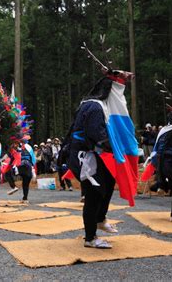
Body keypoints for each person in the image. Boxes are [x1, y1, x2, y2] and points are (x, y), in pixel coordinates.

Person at [68, 69, 138, 249]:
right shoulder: (95, 106)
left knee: (106, 185)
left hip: (94, 154)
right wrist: (116, 146)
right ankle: (90, 238)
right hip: (86, 156)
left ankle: (100, 219)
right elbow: (96, 135)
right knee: (94, 194)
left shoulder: (100, 105)